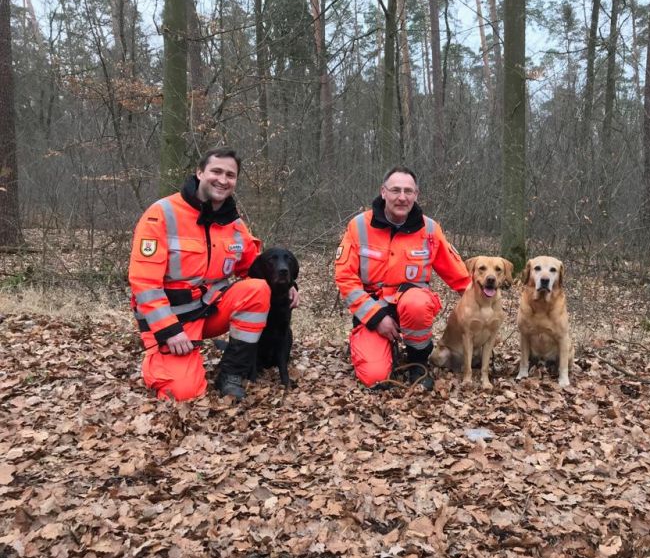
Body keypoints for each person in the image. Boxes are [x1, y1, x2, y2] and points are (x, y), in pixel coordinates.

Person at [128, 147, 298, 401]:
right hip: (174, 318)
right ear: (199, 173)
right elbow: (144, 283)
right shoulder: (162, 214)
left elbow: (256, 266)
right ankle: (161, 357)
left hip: (210, 310)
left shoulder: (234, 224)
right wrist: (169, 330)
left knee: (258, 289)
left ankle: (231, 373)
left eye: (230, 175)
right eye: (216, 171)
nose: (222, 179)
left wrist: (289, 285)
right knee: (182, 392)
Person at [334, 165, 471, 390]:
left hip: (410, 305)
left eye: (408, 191)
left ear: (416, 195)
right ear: (383, 192)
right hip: (372, 310)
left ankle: (417, 360)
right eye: (395, 190)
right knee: (375, 379)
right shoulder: (359, 226)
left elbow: (460, 278)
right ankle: (377, 347)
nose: (402, 197)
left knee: (418, 302)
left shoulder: (429, 229)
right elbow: (345, 278)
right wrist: (376, 318)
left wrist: (486, 306)